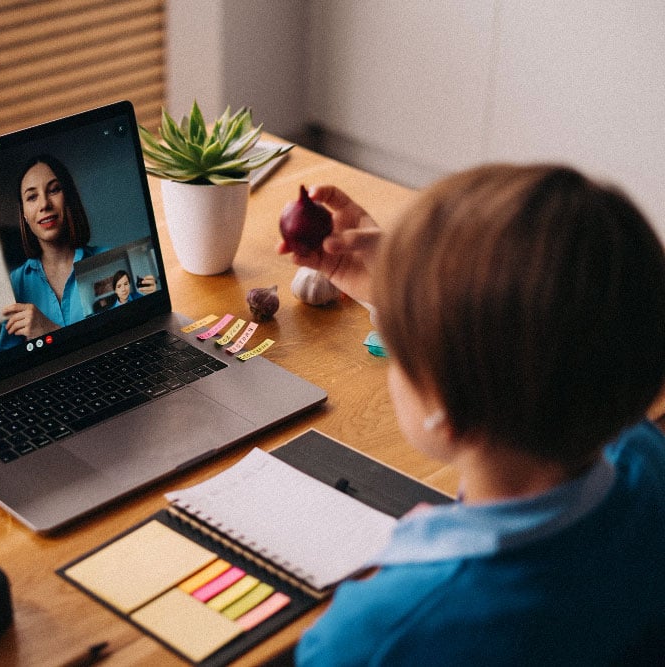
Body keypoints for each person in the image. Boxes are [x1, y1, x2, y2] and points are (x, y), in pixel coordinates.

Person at [279, 164, 665, 665]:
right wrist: (403, 292)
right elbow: (554, 340)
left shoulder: (375, 639)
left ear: (446, 408)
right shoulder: (644, 456)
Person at [0, 154, 104, 358]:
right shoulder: (14, 284)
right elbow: (1, 375)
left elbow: (121, 343)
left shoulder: (106, 261)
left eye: (54, 190)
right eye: (32, 197)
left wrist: (51, 333)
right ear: (24, 214)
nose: (44, 204)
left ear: (69, 198)